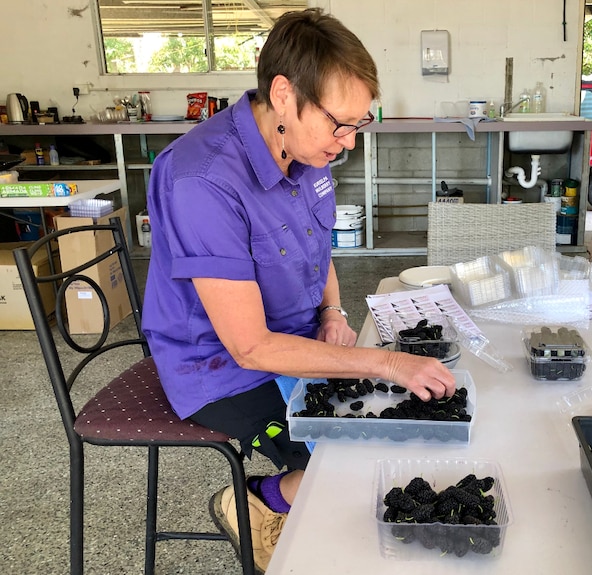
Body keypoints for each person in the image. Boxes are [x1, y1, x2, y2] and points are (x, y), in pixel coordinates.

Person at [141, 8, 456, 573]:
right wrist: (385, 362)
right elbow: (251, 348)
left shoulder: (307, 150)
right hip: (221, 366)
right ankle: (259, 502)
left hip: (294, 339)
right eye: (340, 124)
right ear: (283, 94)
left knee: (397, 427)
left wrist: (332, 309)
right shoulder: (203, 180)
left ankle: (294, 499)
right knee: (352, 457)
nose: (348, 143)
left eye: (360, 125)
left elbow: (316, 245)